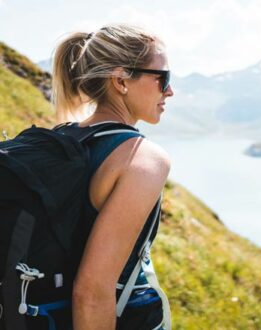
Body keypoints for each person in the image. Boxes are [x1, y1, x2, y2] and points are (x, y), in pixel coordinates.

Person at [51, 23, 174, 330]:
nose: (169, 91)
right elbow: (91, 293)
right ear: (121, 81)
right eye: (163, 78)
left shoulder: (59, 139)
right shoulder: (141, 158)